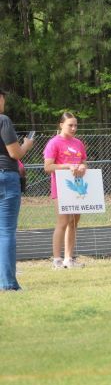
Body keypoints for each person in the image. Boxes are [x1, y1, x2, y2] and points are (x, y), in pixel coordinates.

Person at [43, 112, 88, 269]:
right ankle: (57, 260)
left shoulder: (79, 143)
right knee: (63, 221)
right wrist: (67, 166)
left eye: (76, 125)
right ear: (61, 125)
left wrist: (82, 166)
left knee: (74, 222)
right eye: (70, 125)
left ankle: (69, 259)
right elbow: (48, 167)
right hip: (60, 188)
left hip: (77, 188)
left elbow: (84, 162)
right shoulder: (54, 143)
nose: (74, 128)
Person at [0, 88, 33, 291]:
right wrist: (27, 144)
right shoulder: (3, 120)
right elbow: (15, 153)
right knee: (6, 232)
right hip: (5, 176)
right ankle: (8, 283)